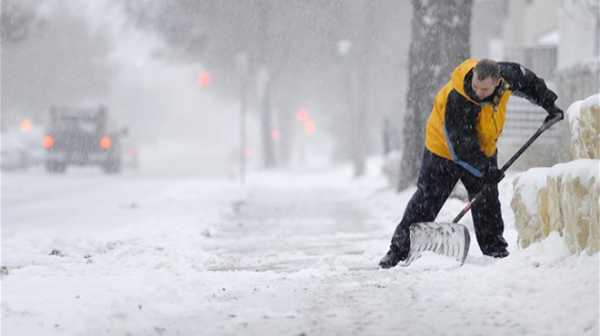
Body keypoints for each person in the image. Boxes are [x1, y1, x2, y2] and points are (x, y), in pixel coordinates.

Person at [379, 58, 564, 269]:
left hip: (483, 148)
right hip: (443, 151)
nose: (477, 91)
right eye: (476, 85)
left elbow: (529, 82)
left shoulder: (508, 76)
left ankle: (495, 252)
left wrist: (549, 103)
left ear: (497, 81)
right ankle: (398, 252)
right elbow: (461, 145)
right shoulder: (459, 97)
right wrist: (486, 170)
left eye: (484, 88)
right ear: (473, 75)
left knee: (487, 200)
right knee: (426, 200)